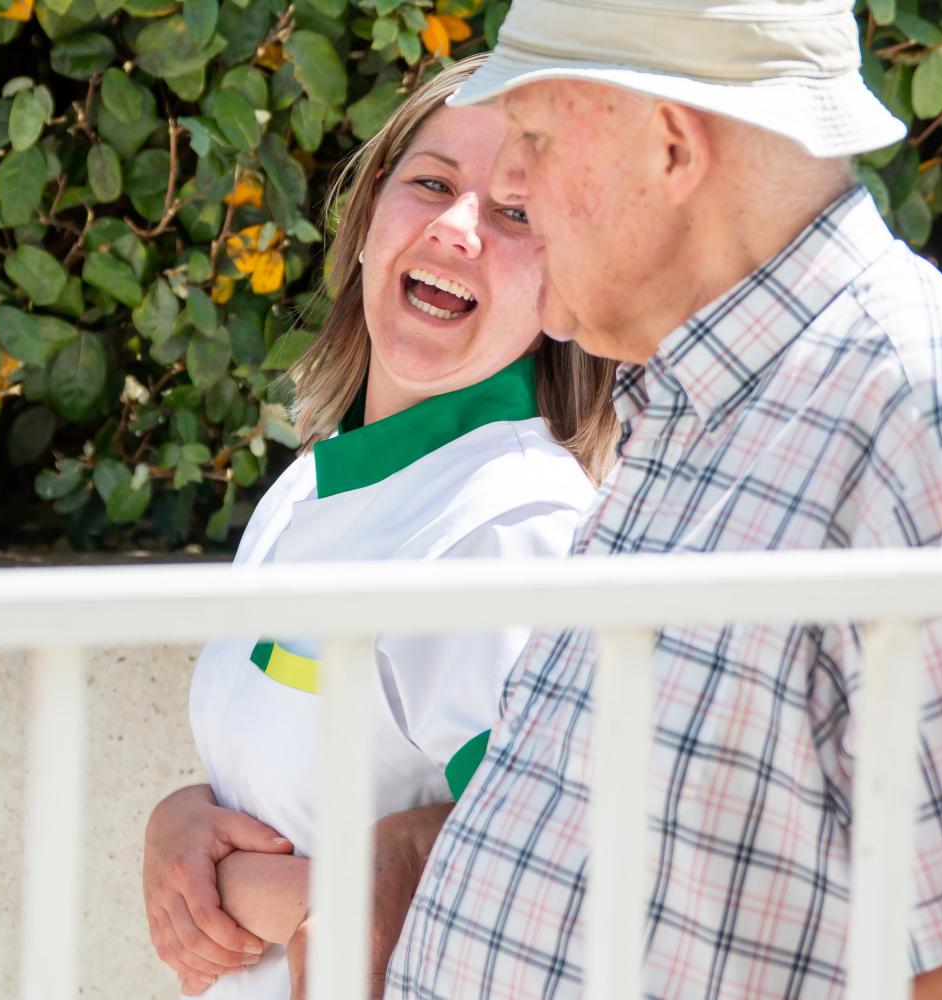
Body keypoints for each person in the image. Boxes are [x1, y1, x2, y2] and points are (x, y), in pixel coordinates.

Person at [369, 0, 942, 998]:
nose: (507, 178)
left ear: (672, 148)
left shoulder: (929, 417)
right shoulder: (703, 399)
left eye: (535, 135)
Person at [141, 54, 619, 998]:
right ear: (366, 225)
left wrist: (236, 887)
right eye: (432, 183)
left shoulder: (512, 527)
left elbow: (534, 885)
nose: (455, 227)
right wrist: (182, 820)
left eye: (515, 214)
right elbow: (290, 785)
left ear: (565, 290)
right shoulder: (313, 485)